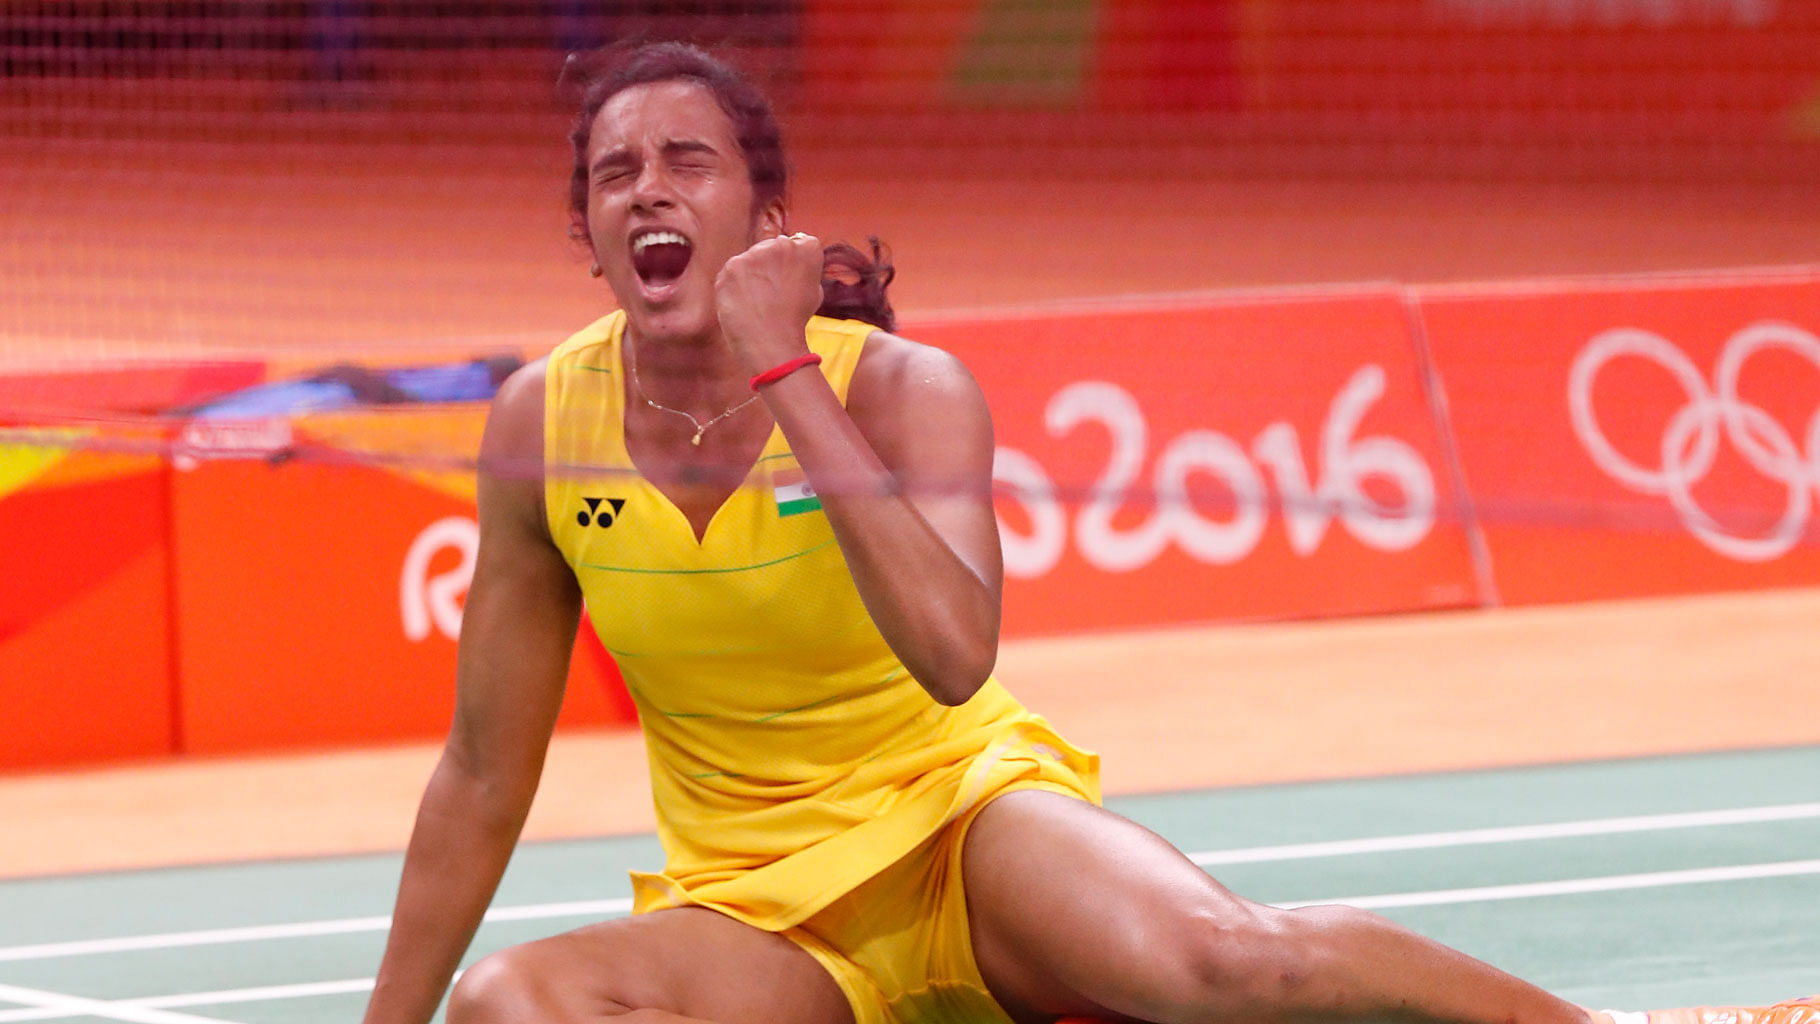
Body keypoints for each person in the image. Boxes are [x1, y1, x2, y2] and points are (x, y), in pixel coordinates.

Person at [359, 40, 1818, 1024]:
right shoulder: (539, 426)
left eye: (690, 161)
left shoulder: (909, 391)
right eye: (617, 174)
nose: (652, 190)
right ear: (587, 225)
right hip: (756, 908)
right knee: (513, 1008)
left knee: (1233, 967)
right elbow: (485, 773)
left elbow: (952, 652)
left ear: (763, 210)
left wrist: (784, 370)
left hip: (965, 830)